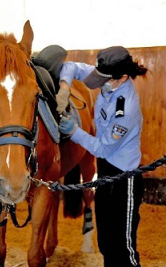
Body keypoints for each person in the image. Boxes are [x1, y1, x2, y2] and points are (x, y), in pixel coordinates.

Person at [56, 46, 148, 267]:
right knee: (106, 243)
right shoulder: (107, 75)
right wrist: (64, 87)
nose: (99, 82)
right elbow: (69, 66)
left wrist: (74, 132)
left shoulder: (126, 108)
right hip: (105, 174)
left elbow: (103, 148)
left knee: (123, 247)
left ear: (122, 77)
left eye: (104, 79)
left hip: (124, 180)